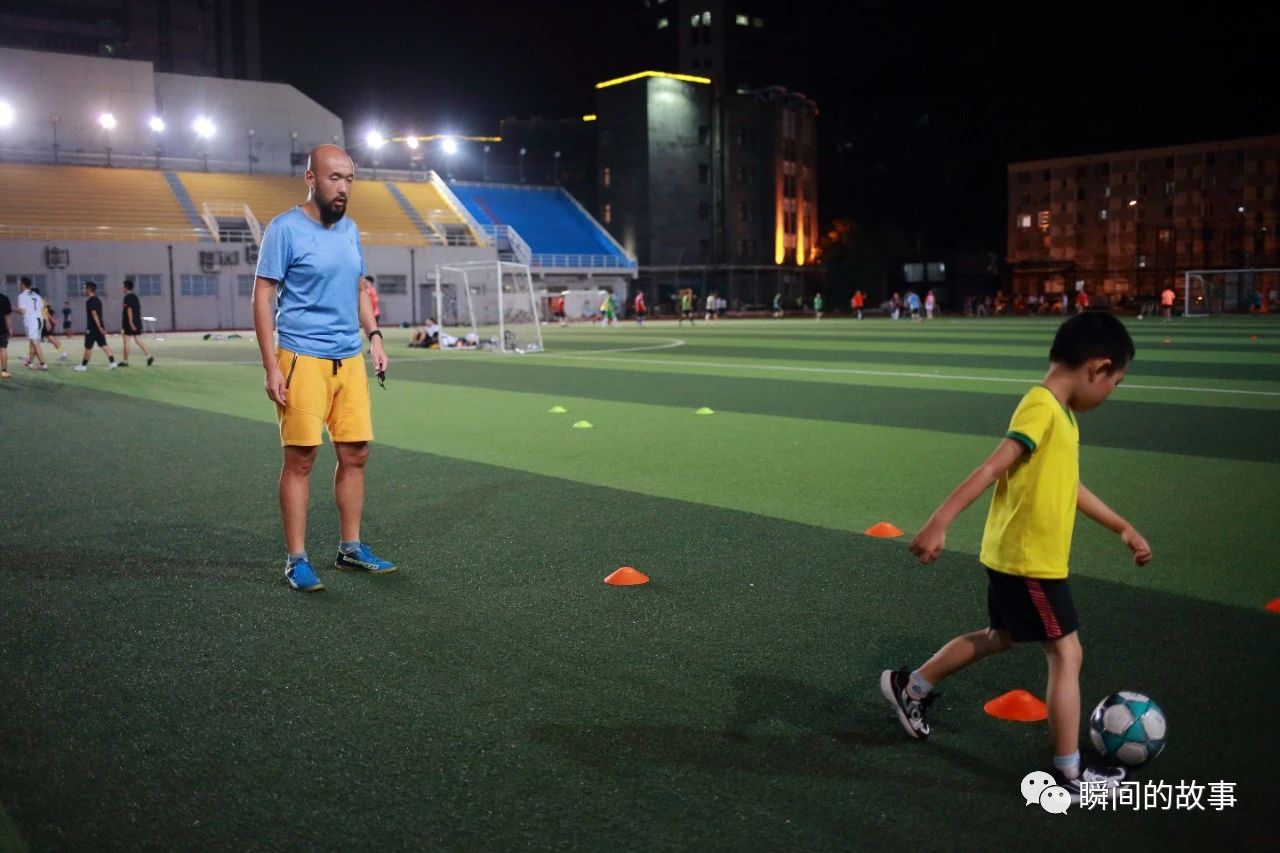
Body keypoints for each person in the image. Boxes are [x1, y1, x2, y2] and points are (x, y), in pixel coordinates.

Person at [882, 312, 1150, 801]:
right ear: (1097, 367)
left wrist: (1121, 526)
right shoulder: (1042, 406)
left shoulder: (1060, 414)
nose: (1111, 393)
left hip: (1017, 557)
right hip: (1030, 562)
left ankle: (912, 686)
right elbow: (993, 466)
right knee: (1067, 653)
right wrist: (941, 520)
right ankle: (1068, 775)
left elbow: (1069, 486)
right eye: (1116, 382)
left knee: (999, 636)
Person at [252, 144, 395, 592]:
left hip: (348, 358)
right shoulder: (284, 229)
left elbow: (358, 289)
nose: (344, 187)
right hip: (301, 358)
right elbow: (262, 297)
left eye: (349, 179)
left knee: (356, 454)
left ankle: (350, 548)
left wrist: (374, 336)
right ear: (311, 178)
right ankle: (296, 559)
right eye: (335, 178)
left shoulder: (349, 229)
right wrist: (271, 365)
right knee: (301, 459)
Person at [72, 282, 117, 371]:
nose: (84, 290)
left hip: (92, 328)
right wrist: (101, 327)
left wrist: (99, 327)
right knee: (104, 345)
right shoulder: (98, 300)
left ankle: (83, 366)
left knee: (88, 347)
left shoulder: (90, 301)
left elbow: (94, 314)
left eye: (85, 288)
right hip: (99, 327)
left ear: (89, 289)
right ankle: (113, 363)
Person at [119, 279, 155, 367]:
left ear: (126, 287)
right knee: (138, 340)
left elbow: (129, 310)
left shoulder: (127, 297)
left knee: (126, 341)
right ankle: (149, 356)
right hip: (137, 322)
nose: (122, 289)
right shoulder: (135, 297)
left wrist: (131, 323)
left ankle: (125, 361)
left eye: (123, 287)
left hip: (129, 324)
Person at [16, 278, 49, 371]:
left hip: (31, 321)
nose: (19, 285)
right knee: (33, 342)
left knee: (35, 343)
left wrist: (13, 309)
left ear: (22, 284)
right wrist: (47, 321)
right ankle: (30, 362)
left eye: (19, 283)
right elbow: (42, 309)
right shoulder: (36, 295)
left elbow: (22, 311)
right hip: (39, 320)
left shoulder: (22, 295)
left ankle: (43, 364)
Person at [0, 287, 11, 380]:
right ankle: (4, 371)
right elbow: (7, 316)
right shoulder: (4, 298)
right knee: (3, 348)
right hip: (2, 328)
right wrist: (10, 328)